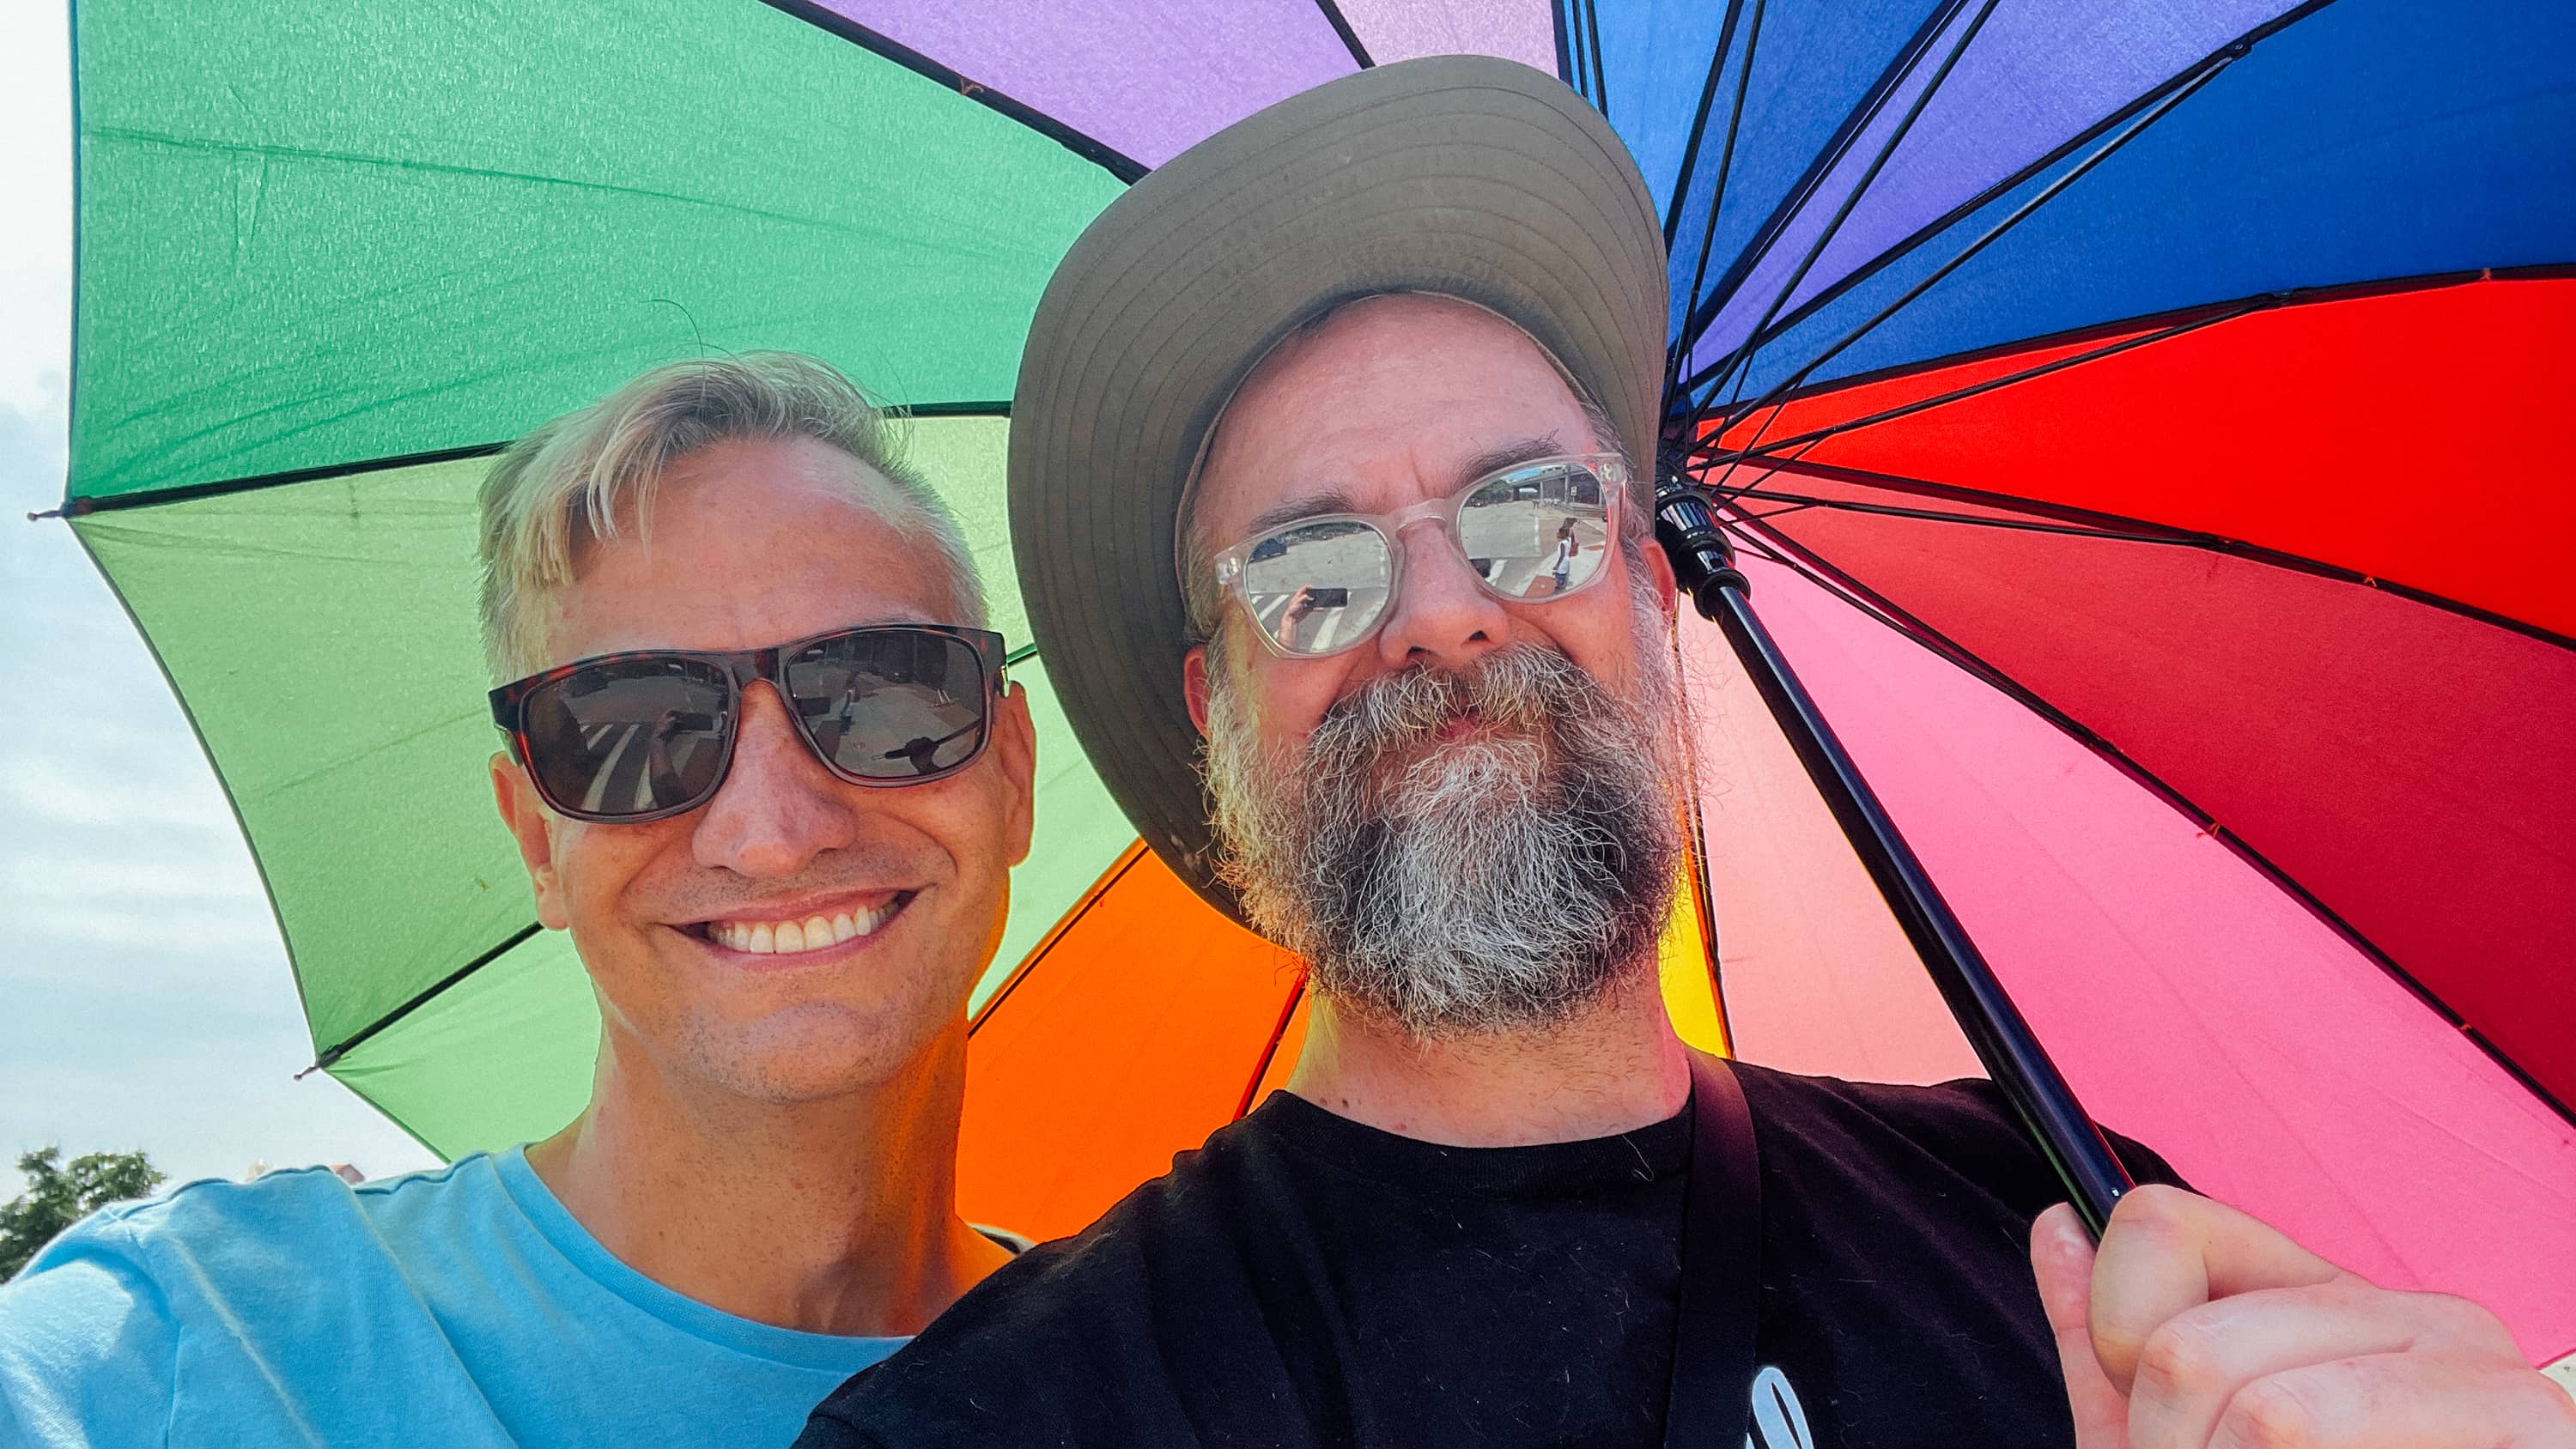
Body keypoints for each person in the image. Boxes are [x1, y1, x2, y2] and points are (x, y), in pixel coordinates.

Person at [802, 59, 2573, 1448]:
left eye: (1528, 517)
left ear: (1653, 591)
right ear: (1216, 710)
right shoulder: (1015, 1416)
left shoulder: (2082, 1237)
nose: (1441, 614)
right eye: (1314, 570)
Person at [0, 353, 1039, 1446]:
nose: (775, 834)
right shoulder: (172, 1350)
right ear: (537, 836)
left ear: (1011, 772)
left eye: (880, 693)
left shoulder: (1172, 1371)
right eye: (632, 732)